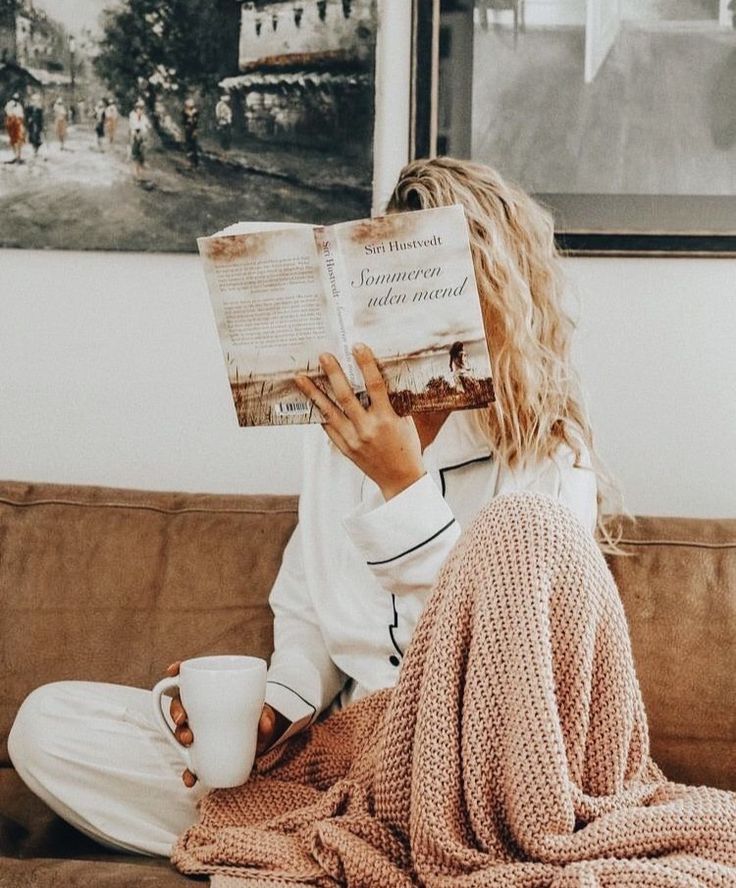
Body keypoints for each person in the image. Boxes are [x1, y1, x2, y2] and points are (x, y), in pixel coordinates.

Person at [9, 158, 616, 855]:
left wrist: (403, 485)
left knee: (474, 815)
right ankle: (323, 842)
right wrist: (278, 705)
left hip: (474, 771)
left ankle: (314, 845)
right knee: (48, 725)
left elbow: (515, 675)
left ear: (495, 303)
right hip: (337, 758)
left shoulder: (549, 462)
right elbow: (307, 617)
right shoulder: (339, 439)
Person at [128, 98, 151, 179]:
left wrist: (146, 131)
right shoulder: (132, 115)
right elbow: (133, 126)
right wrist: (136, 134)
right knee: (136, 155)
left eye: (141, 108)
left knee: (142, 154)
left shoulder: (144, 117)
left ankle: (140, 173)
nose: (140, 110)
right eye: (138, 108)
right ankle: (136, 173)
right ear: (135, 108)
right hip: (136, 135)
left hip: (143, 136)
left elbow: (148, 126)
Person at [4, 92, 26, 163]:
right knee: (14, 140)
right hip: (13, 125)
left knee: (19, 140)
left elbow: (21, 115)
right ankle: (16, 155)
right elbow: (8, 113)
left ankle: (18, 156)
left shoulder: (19, 106)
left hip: (18, 124)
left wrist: (19, 120)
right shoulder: (9, 104)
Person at [181, 97, 199, 168]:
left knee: (193, 145)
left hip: (193, 130)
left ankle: (194, 162)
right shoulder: (184, 112)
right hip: (188, 130)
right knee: (189, 145)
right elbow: (183, 121)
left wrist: (195, 130)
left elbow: (195, 122)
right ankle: (190, 162)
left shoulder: (195, 112)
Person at [25, 92, 44, 157]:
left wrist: (42, 125)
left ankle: (36, 150)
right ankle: (34, 150)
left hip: (38, 124)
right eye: (34, 100)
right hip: (32, 124)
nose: (35, 101)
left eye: (37, 100)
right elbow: (27, 115)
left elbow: (41, 117)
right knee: (32, 137)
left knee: (37, 137)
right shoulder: (29, 107)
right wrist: (29, 119)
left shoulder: (39, 108)